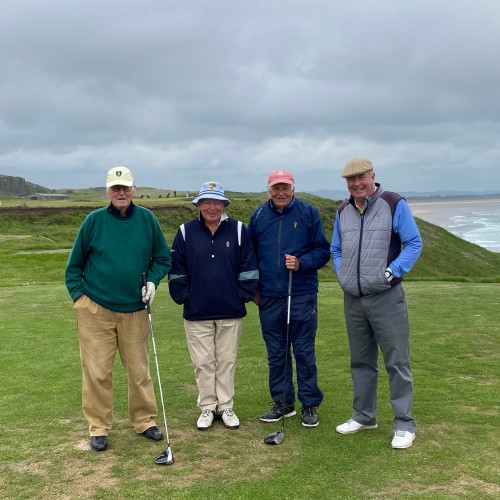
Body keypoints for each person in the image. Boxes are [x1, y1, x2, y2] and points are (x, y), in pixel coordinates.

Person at [65, 166, 171, 452]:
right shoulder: (94, 221)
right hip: (95, 309)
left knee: (139, 370)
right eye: (115, 188)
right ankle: (98, 427)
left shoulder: (147, 219)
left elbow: (163, 258)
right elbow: (74, 267)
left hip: (135, 309)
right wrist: (79, 298)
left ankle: (144, 421)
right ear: (108, 191)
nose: (121, 193)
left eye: (125, 188)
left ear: (133, 189)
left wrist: (152, 281)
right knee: (97, 372)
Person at [330, 158, 423, 449]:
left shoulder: (393, 203)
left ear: (372, 176)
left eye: (361, 177)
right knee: (360, 361)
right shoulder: (343, 210)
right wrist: (343, 274)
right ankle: (364, 416)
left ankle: (404, 424)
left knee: (396, 361)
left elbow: (414, 243)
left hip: (386, 296)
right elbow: (336, 248)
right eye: (351, 179)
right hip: (353, 298)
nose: (356, 183)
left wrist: (391, 272)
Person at [168, 181, 259, 430]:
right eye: (206, 202)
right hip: (197, 311)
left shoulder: (238, 229)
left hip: (231, 310)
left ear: (223, 205)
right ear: (199, 205)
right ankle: (207, 407)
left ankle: (225, 405)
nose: (211, 207)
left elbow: (249, 265)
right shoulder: (185, 231)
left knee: (227, 361)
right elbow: (177, 268)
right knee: (203, 363)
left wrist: (242, 295)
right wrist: (185, 296)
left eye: (216, 202)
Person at [247, 169, 330, 428]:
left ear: (293, 189)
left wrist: (302, 263)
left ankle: (309, 403)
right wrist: (253, 289)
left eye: (285, 187)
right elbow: (249, 255)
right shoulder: (259, 216)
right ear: (269, 190)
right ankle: (283, 402)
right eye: (276, 188)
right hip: (270, 296)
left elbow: (323, 251)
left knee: (304, 350)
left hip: (301, 293)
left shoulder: (308, 213)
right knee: (276, 352)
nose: (281, 193)